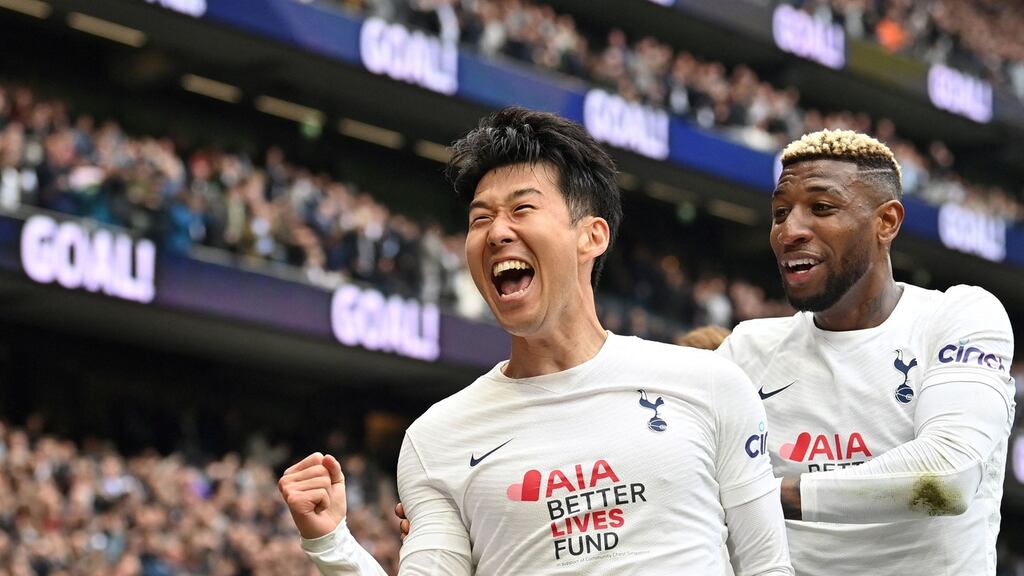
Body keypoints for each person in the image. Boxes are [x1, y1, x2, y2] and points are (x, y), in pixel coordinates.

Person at [278, 107, 794, 575]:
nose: (497, 232)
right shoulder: (436, 439)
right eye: (481, 218)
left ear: (592, 236)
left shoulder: (711, 385)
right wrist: (331, 545)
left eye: (522, 209)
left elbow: (768, 569)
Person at [717, 129, 1015, 575]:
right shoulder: (748, 349)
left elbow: (942, 482)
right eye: (780, 213)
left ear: (887, 222)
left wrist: (758, 495)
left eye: (821, 208)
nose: (790, 231)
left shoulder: (958, 317)